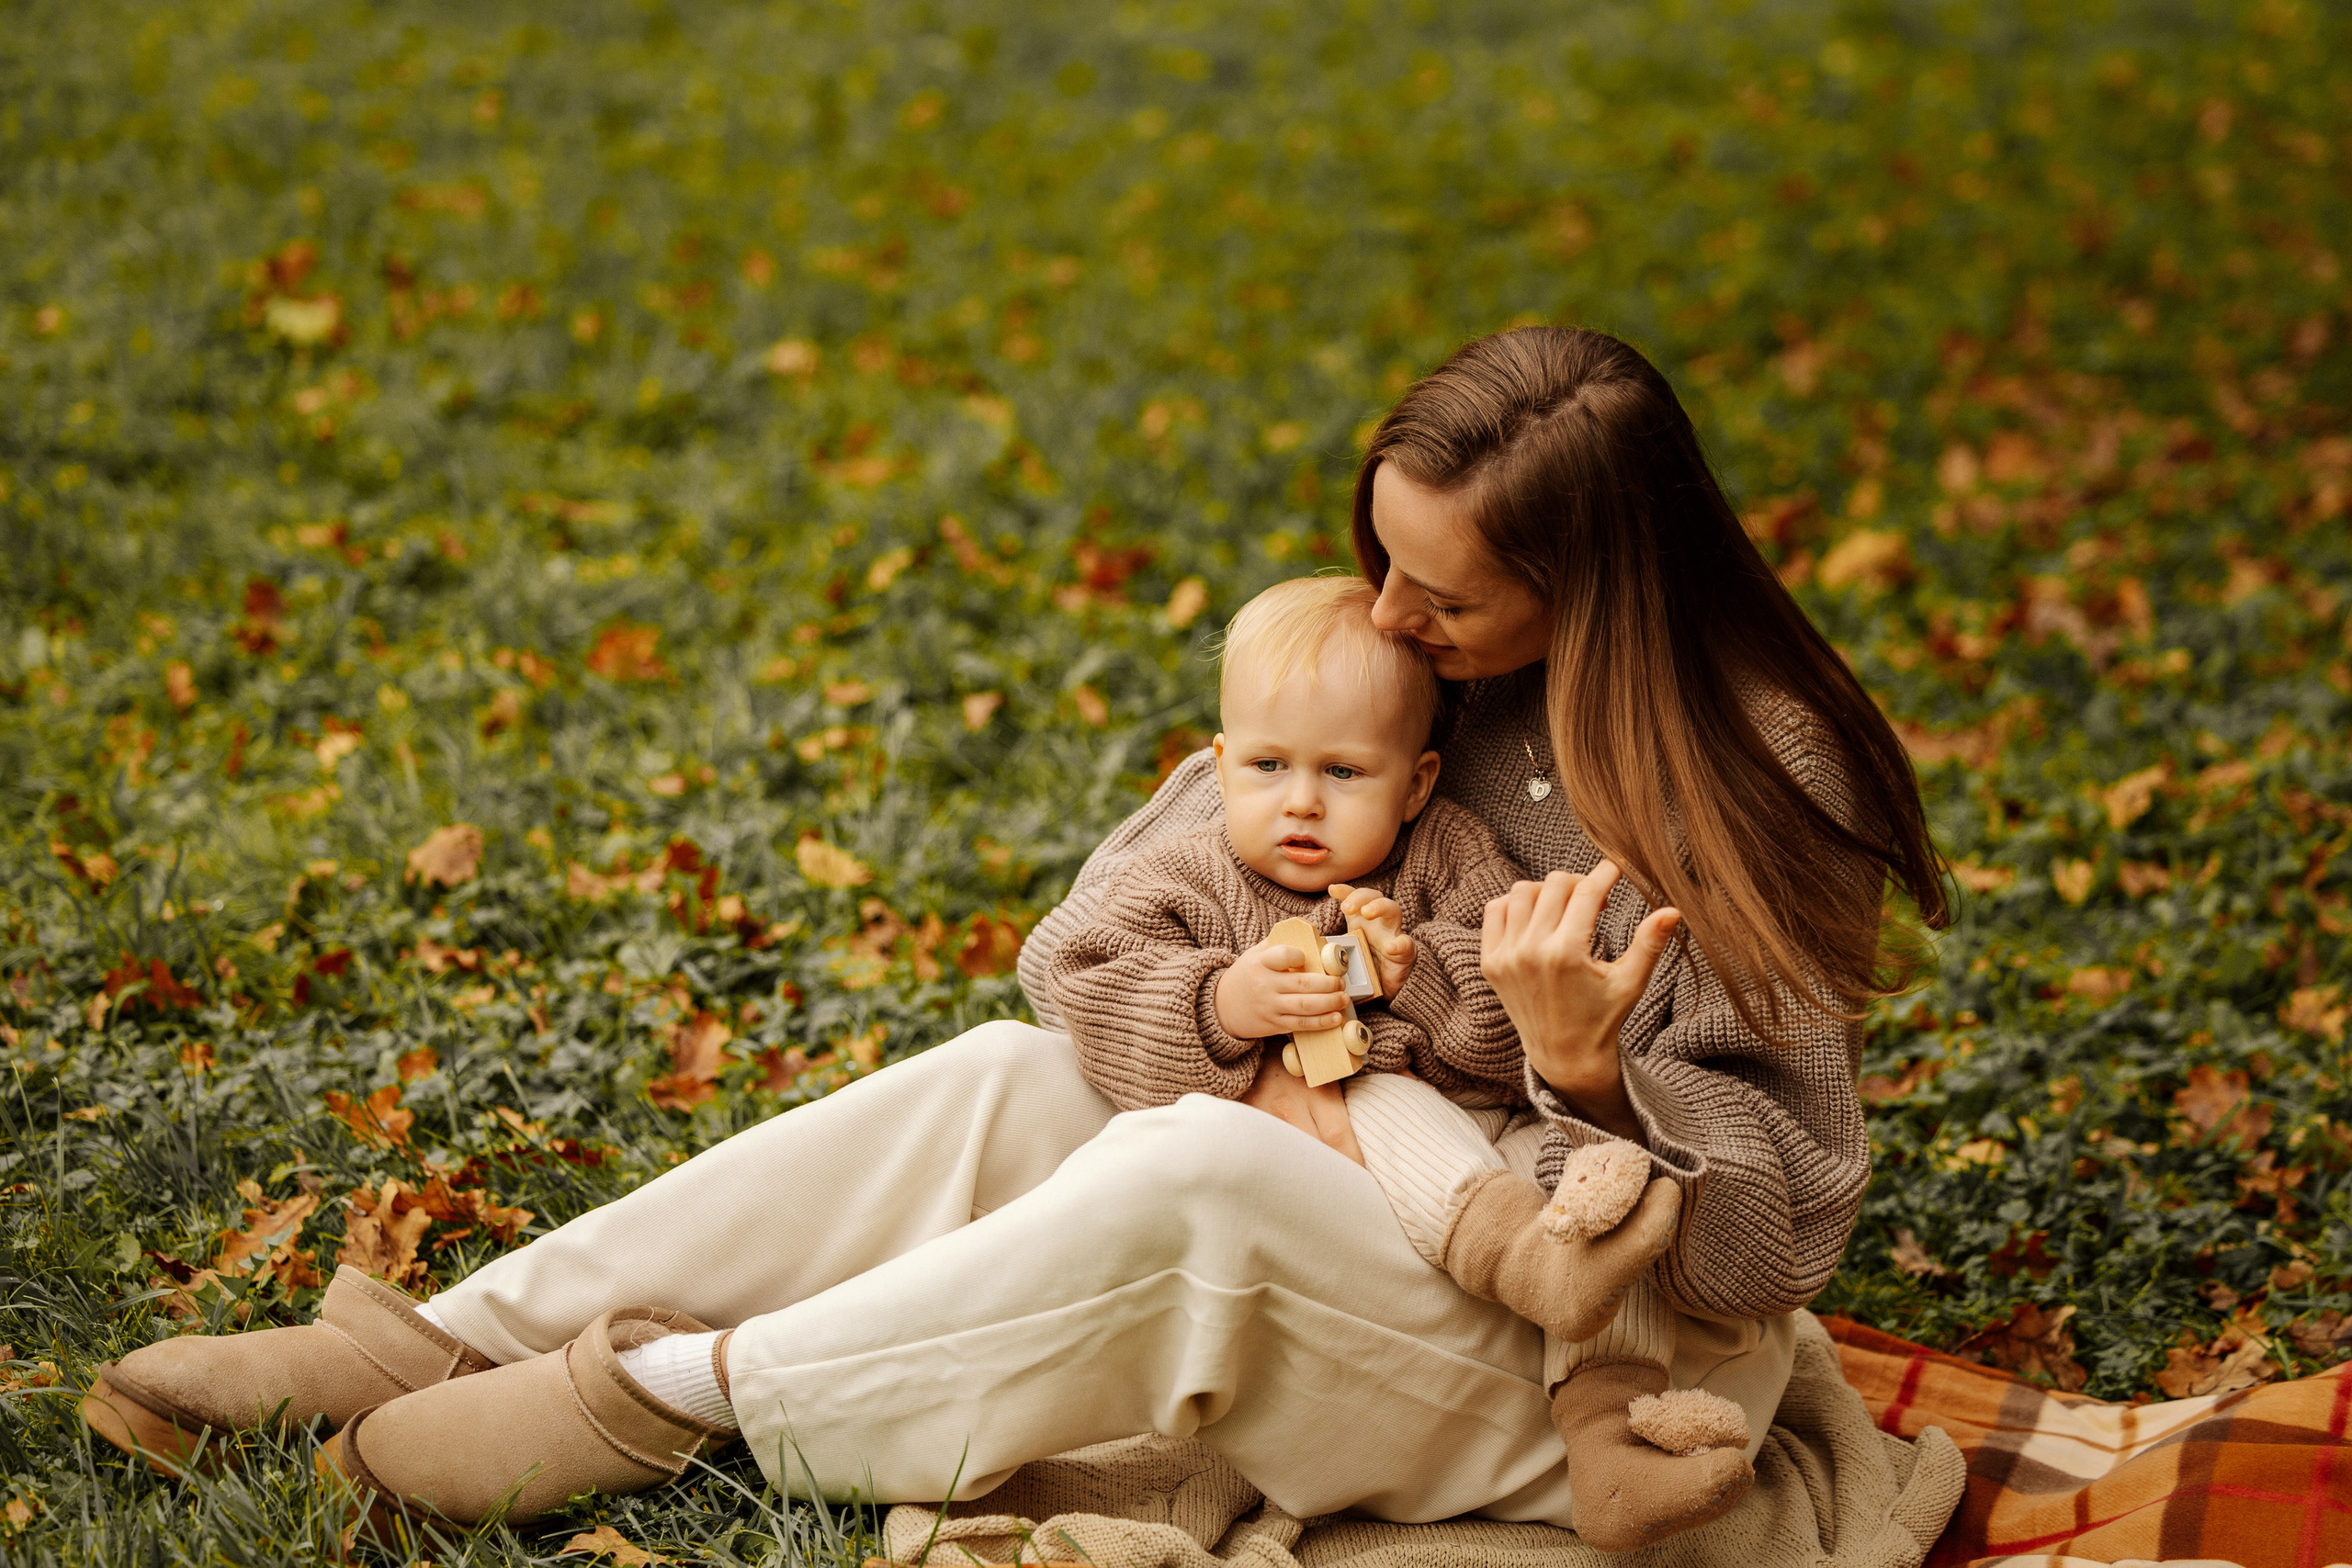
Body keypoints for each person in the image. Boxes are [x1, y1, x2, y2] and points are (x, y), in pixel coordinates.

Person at [80, 326, 1945, 1547]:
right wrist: (1229, 995)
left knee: (1197, 1171)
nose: (1380, 611)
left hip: (1593, 1371)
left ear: (1589, 582)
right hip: (1365, 1209)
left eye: (1436, 591)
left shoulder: (1755, 777)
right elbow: (1091, 952)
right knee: (999, 1081)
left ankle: (665, 1398)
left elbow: (1763, 1251)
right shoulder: (1420, 681)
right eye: (1375, 555)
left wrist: (1580, 1067)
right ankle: (439, 1344)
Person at [1049, 572, 1758, 1549]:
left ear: (1416, 782)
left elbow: (1509, 1038)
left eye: (1343, 774)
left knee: (1602, 1190)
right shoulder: (1187, 873)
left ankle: (1611, 1440)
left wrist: (1415, 973)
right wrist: (1223, 1000)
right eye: (1265, 767)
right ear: (1218, 767)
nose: (1299, 803)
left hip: (1489, 1138)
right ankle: (1520, 1254)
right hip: (1341, 1184)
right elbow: (1086, 980)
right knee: (1369, 1086)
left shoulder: (1449, 857)